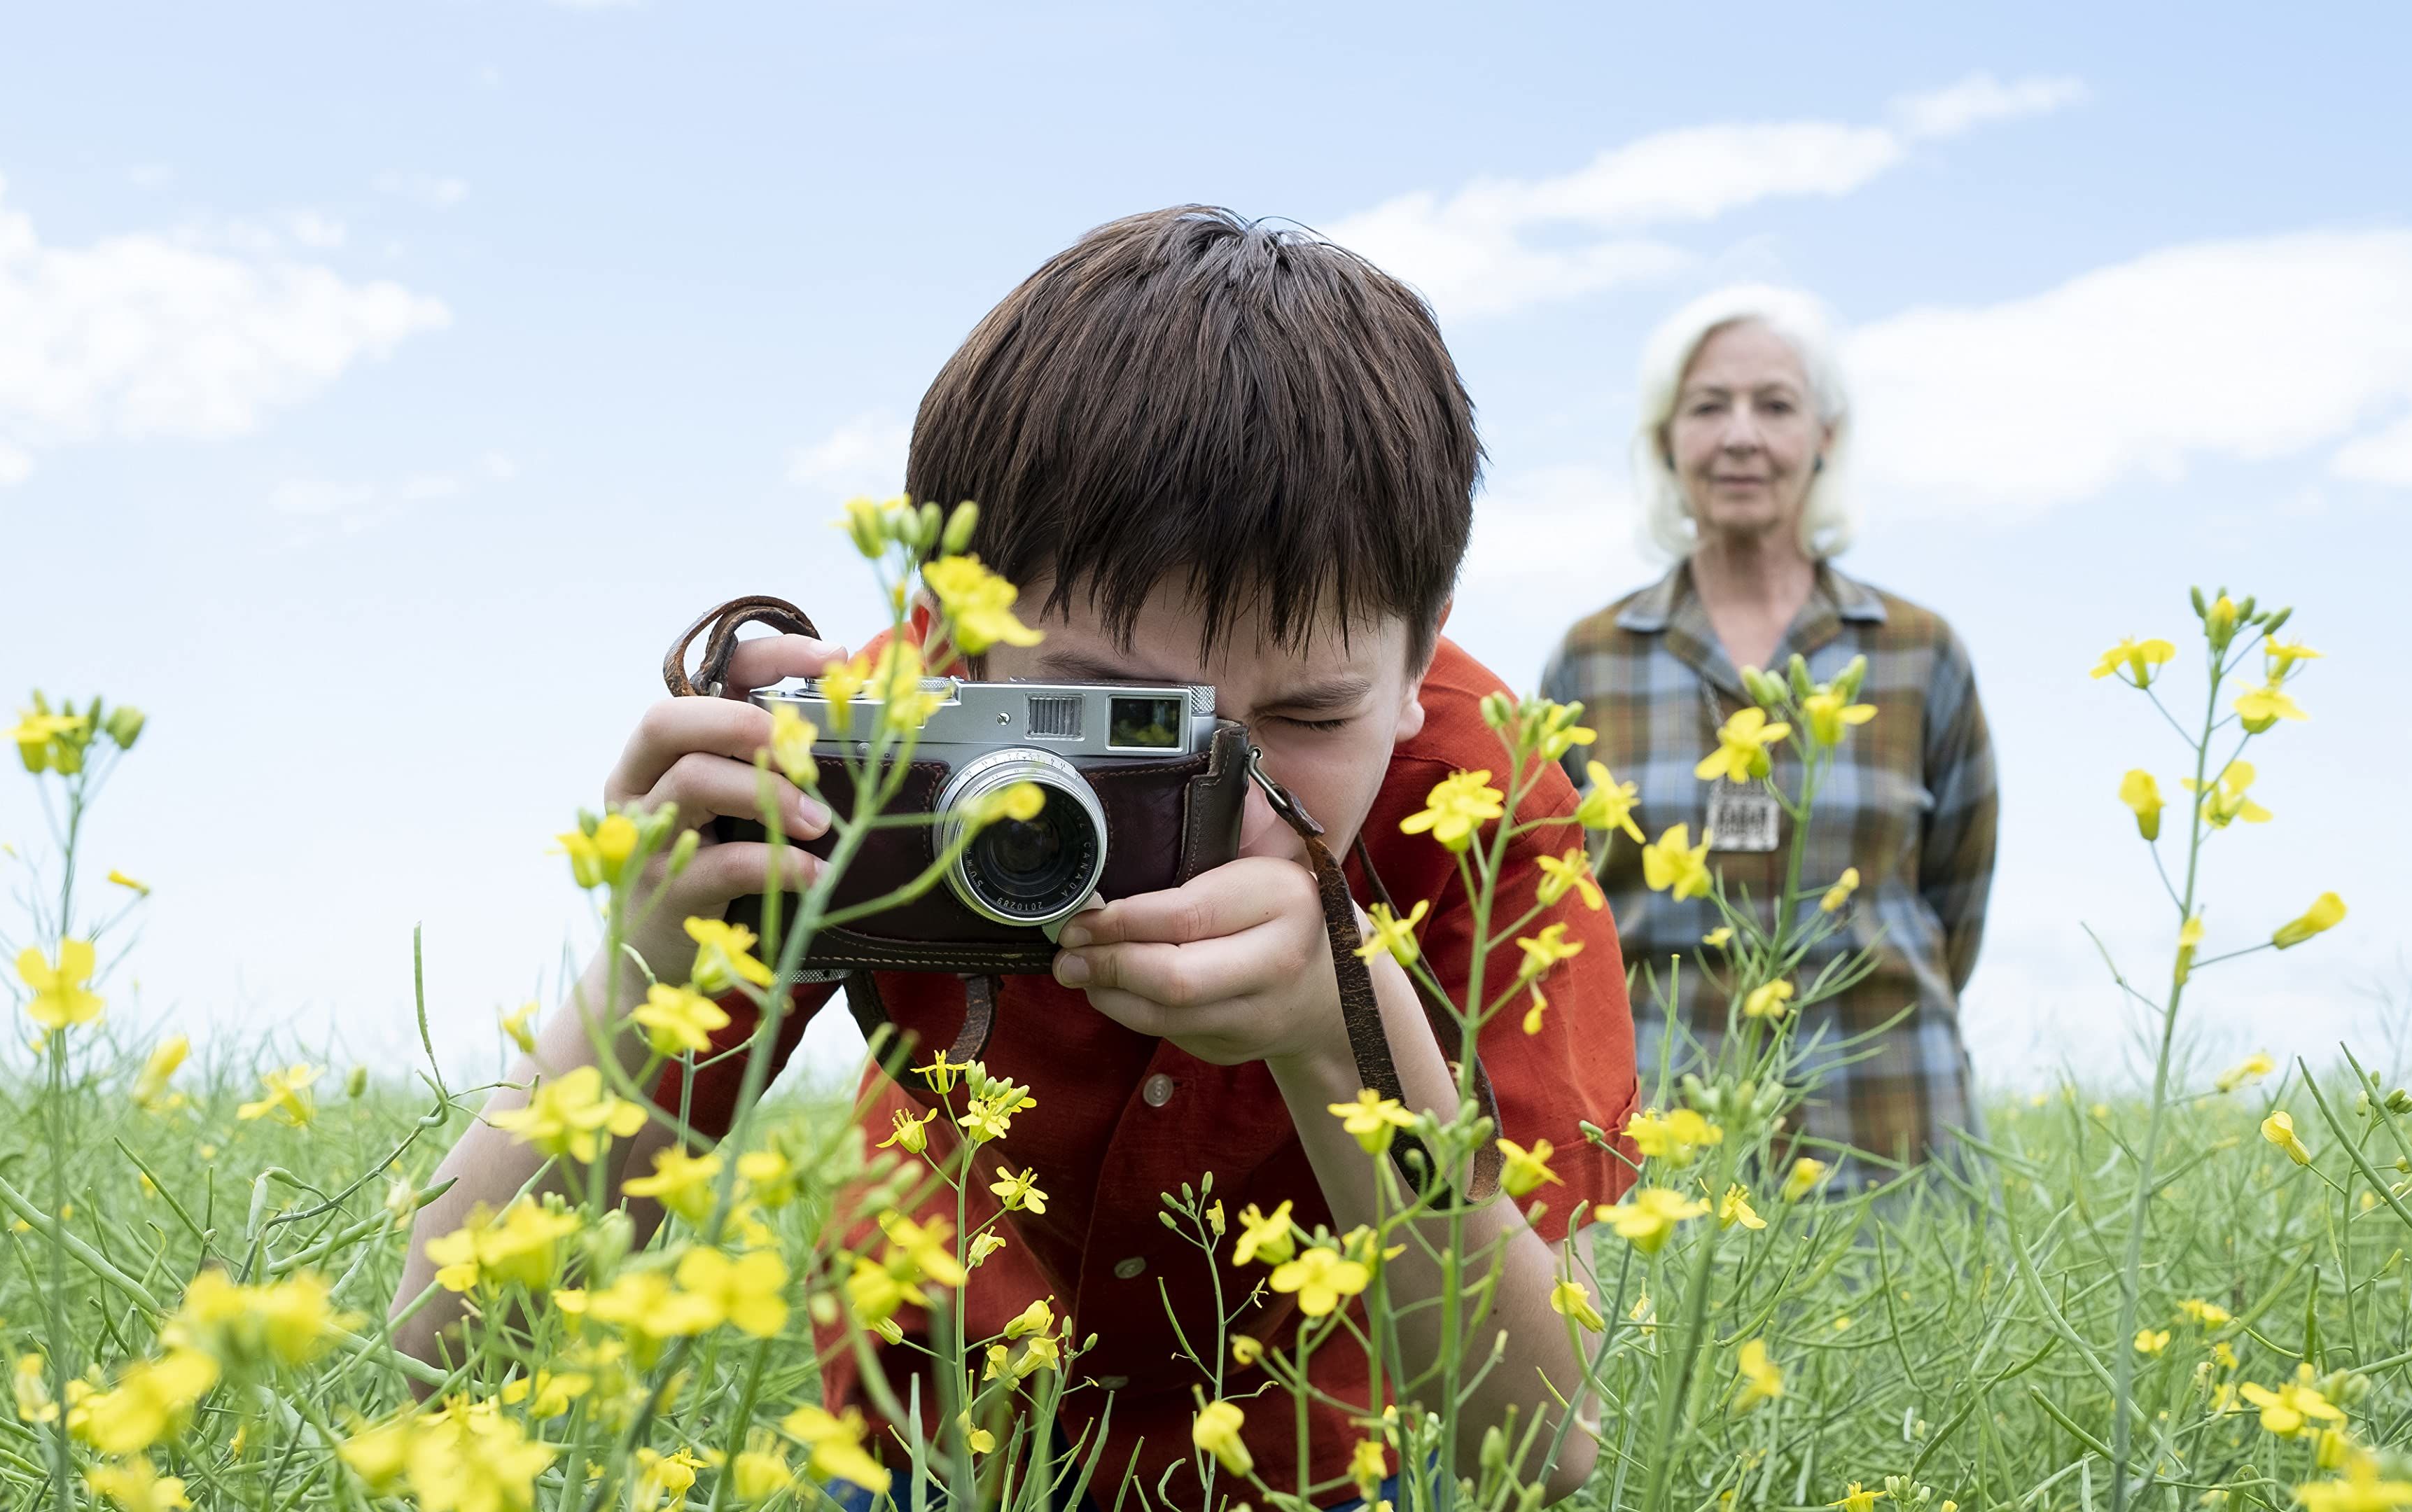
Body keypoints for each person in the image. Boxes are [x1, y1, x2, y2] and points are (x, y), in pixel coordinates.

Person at [396, 207, 1639, 1507]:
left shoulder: (1483, 804)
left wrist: (1349, 1041)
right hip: (928, 1446)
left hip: (1316, 1470)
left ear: (1420, 654)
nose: (1225, 794)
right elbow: (445, 1343)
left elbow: (1550, 1447)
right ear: (948, 644)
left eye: (1312, 718)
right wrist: (650, 968)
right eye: (1110, 722)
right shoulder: (872, 762)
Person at [1540, 284, 1997, 1177]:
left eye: (1776, 406)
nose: (1741, 435)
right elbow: (1556, 898)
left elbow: (1956, 906)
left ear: (1825, 437)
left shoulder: (1917, 652)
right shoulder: (1591, 661)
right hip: (1656, 1142)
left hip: (1890, 1130)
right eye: (1708, 407)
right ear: (1668, 441)